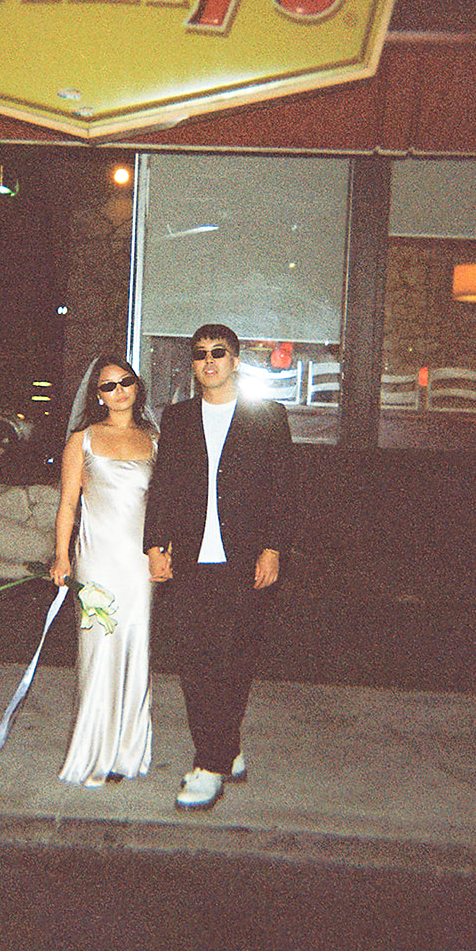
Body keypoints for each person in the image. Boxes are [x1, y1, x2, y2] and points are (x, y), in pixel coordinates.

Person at [144, 324, 299, 812]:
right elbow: (164, 484)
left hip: (245, 560)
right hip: (190, 559)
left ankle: (209, 763)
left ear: (235, 361)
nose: (208, 361)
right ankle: (221, 753)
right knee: (195, 661)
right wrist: (155, 545)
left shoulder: (267, 416)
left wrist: (273, 548)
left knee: (234, 662)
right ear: (193, 365)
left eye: (219, 353)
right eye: (200, 355)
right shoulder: (179, 418)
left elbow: (284, 489)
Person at [50, 355, 158, 786]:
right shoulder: (83, 440)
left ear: (137, 386)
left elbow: (162, 507)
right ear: (96, 396)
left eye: (125, 382)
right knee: (98, 653)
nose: (118, 392)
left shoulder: (154, 440)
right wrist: (61, 556)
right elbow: (67, 505)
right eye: (108, 386)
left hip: (138, 565)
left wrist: (163, 553)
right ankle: (93, 750)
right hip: (97, 561)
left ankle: (128, 753)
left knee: (136, 649)